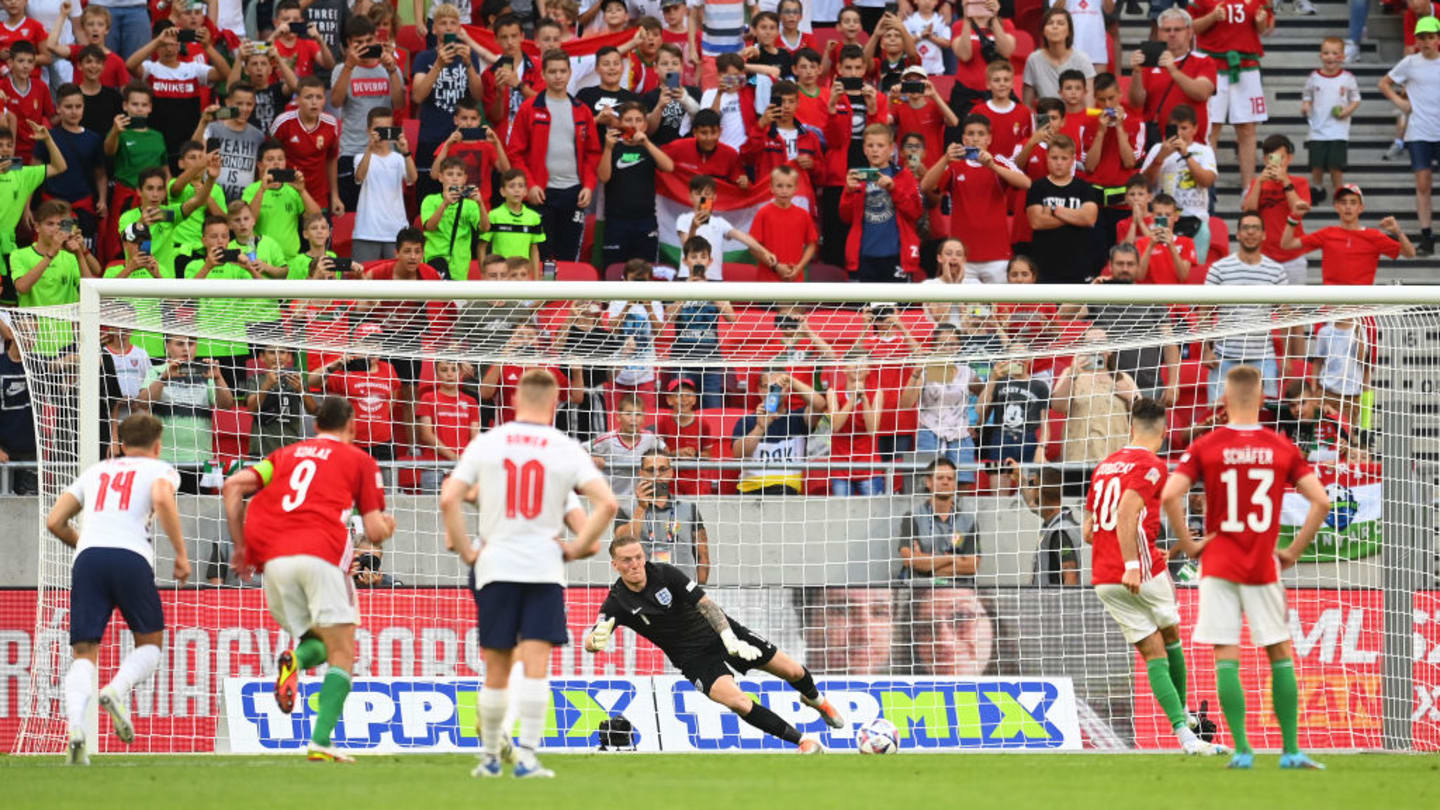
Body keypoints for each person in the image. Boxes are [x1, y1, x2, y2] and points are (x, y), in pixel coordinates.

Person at [440, 369, 619, 778]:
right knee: (536, 664)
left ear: (515, 398)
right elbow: (607, 504)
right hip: (543, 567)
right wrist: (575, 547)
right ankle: (527, 757)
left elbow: (450, 496)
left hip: (494, 565)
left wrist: (467, 548)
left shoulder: (488, 442)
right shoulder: (565, 448)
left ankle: (488, 759)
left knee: (497, 667)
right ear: (555, 401)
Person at [1160, 364, 1332, 770]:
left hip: (1218, 563)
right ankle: (1290, 751)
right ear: (1261, 399)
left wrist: (1189, 545)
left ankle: (1242, 750)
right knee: (1280, 652)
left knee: (1226, 654)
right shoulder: (1281, 446)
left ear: (1223, 400)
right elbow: (1322, 502)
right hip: (1263, 564)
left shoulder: (1207, 445)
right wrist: (1291, 551)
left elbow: (1170, 495)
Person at [222, 396, 396, 763]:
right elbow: (376, 530)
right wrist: (388, 526)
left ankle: (294, 660)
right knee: (342, 651)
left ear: (316, 424)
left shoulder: (284, 455)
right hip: (320, 555)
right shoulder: (359, 460)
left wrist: (240, 547)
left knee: (315, 639)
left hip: (275, 560)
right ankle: (320, 741)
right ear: (351, 424)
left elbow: (233, 486)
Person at [587, 536, 837, 751]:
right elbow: (595, 637)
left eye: (638, 557)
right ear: (615, 564)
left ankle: (816, 700)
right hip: (693, 659)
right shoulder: (617, 601)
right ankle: (804, 742)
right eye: (627, 560)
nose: (635, 564)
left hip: (721, 632)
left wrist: (729, 638)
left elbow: (706, 605)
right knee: (738, 702)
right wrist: (594, 641)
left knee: (792, 670)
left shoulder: (664, 573)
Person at [45, 413, 187, 765]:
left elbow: (54, 521)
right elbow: (163, 498)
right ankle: (116, 690)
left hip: (88, 559)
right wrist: (181, 554)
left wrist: (83, 543)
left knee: (84, 652)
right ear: (158, 444)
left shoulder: (95, 471)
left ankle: (76, 729)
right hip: (131, 557)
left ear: (121, 444)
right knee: (150, 644)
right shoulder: (160, 470)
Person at [1086, 398, 1225, 754]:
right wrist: (1134, 563)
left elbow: (1089, 531)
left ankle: (1186, 733)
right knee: (1172, 639)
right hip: (1139, 570)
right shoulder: (1151, 464)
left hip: (1103, 577)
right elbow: (1127, 513)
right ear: (1164, 433)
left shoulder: (1104, 466)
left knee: (1152, 654)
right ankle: (1188, 722)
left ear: (1130, 428)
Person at [920, 114, 1031, 284]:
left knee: (998, 308)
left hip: (997, 255)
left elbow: (1026, 183)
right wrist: (944, 158)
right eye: (970, 134)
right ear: (964, 139)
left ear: (989, 139)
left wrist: (992, 165)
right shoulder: (954, 165)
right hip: (963, 257)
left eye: (980, 134)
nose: (975, 139)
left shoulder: (999, 161)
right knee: (964, 309)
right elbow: (925, 186)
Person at [1203, 212, 1288, 401]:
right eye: (1246, 228)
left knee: (1266, 419)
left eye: (1255, 228)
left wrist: (1288, 357)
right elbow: (1204, 312)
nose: (1251, 232)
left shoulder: (1276, 271)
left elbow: (1286, 316)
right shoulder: (1219, 268)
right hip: (1224, 358)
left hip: (1263, 358)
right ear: (1238, 234)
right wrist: (1206, 350)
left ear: (1264, 234)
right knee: (1217, 418)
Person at [1189, 0, 1272, 192]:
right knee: (1211, 127)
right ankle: (1206, 185)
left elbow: (1265, 27)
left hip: (1247, 64)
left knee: (1247, 128)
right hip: (1212, 64)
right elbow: (1190, 26)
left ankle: (1248, 188)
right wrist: (1211, 17)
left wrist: (1261, 21)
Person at [329, 17, 406, 212]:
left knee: (385, 211)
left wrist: (392, 70)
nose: (365, 46)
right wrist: (349, 66)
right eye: (358, 42)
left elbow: (400, 103)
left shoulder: (388, 68)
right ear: (349, 43)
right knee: (352, 214)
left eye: (368, 41)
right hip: (351, 150)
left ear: (376, 40)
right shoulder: (341, 69)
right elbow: (336, 102)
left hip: (385, 152)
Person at [1379, 16, 1440, 256]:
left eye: (1430, 37)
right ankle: (1427, 235)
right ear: (1416, 40)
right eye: (1422, 38)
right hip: (1419, 132)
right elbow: (1383, 83)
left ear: (1438, 39)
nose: (1426, 42)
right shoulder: (1410, 63)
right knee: (1423, 184)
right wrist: (1400, 102)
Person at [1279, 184, 1414, 285]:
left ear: (1361, 208)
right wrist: (1294, 217)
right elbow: (1287, 244)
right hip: (1332, 308)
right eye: (1343, 202)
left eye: (1353, 202)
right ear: (1336, 206)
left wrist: (1398, 231)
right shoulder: (1327, 233)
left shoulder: (1374, 236)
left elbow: (1410, 253)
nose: (1348, 207)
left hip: (1361, 310)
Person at [840, 123, 923, 283]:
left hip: (897, 255)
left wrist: (893, 188)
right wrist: (848, 192)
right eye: (870, 145)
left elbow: (915, 212)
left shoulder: (903, 176)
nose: (875, 150)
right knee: (868, 308)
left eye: (880, 145)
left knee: (898, 308)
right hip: (864, 255)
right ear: (864, 149)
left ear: (891, 149)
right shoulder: (857, 177)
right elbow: (846, 217)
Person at [612, 449, 710, 582]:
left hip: (682, 592)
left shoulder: (689, 509)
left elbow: (703, 555)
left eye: (662, 469)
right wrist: (641, 508)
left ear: (671, 472)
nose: (657, 475)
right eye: (650, 470)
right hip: (643, 590)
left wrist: (699, 592)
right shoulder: (626, 509)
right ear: (641, 473)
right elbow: (621, 546)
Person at [597, 101, 674, 266]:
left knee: (646, 273)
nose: (634, 124)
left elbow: (669, 167)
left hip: (645, 221)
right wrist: (609, 148)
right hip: (616, 222)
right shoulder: (612, 146)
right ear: (619, 124)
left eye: (639, 120)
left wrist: (646, 142)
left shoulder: (650, 147)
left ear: (645, 125)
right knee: (613, 272)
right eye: (628, 120)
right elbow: (603, 178)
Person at [1126, 9, 1217, 147]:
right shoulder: (1149, 62)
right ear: (1159, 33)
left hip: (1193, 144)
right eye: (1167, 30)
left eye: (1177, 29)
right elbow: (1136, 102)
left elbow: (1202, 93)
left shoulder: (1203, 61)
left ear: (1190, 32)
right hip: (1156, 144)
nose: (1172, 34)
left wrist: (1173, 70)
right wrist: (1137, 73)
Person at [1140, 104, 1217, 262]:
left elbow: (1207, 181)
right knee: (1162, 265)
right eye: (1176, 128)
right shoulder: (1157, 149)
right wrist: (1160, 158)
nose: (1180, 133)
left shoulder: (1204, 151)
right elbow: (1144, 185)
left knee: (1194, 270)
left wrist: (1186, 155)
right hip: (1162, 219)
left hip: (1195, 218)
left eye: (1184, 128)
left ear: (1195, 129)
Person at [1053, 328, 1139, 464]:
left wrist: (1131, 398)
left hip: (1116, 460)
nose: (1096, 348)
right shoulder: (1069, 373)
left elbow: (1143, 418)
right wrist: (1072, 374)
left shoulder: (1123, 378)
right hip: (1079, 459)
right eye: (1091, 344)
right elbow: (1058, 407)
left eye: (1101, 343)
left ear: (1109, 350)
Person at [731, 371, 825, 495]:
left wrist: (791, 381)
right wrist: (760, 428)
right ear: (760, 390)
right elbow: (738, 455)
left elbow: (820, 404)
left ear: (787, 389)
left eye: (777, 387)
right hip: (752, 493)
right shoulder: (747, 421)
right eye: (767, 387)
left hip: (788, 494)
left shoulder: (798, 418)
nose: (773, 391)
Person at [1025, 134, 1099, 283]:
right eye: (1054, 158)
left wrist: (1054, 210)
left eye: (1064, 158)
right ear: (1047, 157)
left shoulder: (1084, 188)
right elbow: (1036, 222)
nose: (1059, 163)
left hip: (1078, 264)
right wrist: (1075, 217)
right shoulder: (1037, 187)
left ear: (1072, 160)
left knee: (1076, 306)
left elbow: (1089, 219)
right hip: (1045, 264)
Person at [1241, 134, 1313, 285]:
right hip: (1264, 256)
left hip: (1293, 256)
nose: (1277, 162)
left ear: (1289, 158)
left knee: (1295, 307)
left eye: (1281, 157)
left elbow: (1298, 209)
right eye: (1272, 158)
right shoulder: (1257, 183)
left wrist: (1285, 181)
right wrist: (1259, 183)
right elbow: (1249, 212)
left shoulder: (1299, 182)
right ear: (1266, 159)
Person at [897, 456, 979, 583]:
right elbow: (909, 559)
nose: (945, 482)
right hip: (922, 591)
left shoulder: (968, 521)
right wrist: (952, 559)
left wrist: (925, 564)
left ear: (955, 484)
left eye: (950, 478)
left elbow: (972, 565)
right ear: (928, 482)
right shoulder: (913, 517)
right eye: (940, 478)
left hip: (959, 592)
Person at [352, 107, 418, 262]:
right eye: (377, 129)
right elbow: (360, 176)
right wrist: (369, 147)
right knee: (362, 281)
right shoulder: (360, 157)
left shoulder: (399, 159)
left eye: (386, 129)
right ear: (369, 130)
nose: (382, 133)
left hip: (397, 231)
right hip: (367, 230)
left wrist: (406, 152)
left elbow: (413, 178)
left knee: (400, 282)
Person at [1300, 37, 1360, 208]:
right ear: (1321, 55)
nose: (1330, 57)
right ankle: (1317, 189)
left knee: (1336, 165)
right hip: (1317, 129)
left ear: (1342, 56)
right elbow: (1307, 96)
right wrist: (1305, 106)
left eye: (1335, 53)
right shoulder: (1314, 77)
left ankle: (1338, 192)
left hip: (1338, 130)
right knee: (1316, 164)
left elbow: (1355, 99)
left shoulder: (1347, 78)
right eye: (1326, 53)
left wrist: (1346, 111)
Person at [414, 359, 480, 492]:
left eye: (454, 370)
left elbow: (475, 436)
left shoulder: (471, 401)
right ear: (436, 374)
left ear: (461, 373)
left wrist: (465, 459)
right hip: (434, 466)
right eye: (444, 370)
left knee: (463, 510)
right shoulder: (428, 398)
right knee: (430, 510)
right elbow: (426, 435)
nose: (449, 374)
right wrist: (453, 457)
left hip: (463, 466)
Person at [1024, 7, 1095, 107]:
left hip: (1075, 117)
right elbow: (1027, 104)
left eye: (1060, 23)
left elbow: (1089, 104)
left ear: (1069, 31)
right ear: (1043, 31)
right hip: (1046, 118)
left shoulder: (1082, 60)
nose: (1055, 27)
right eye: (1050, 23)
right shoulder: (1034, 59)